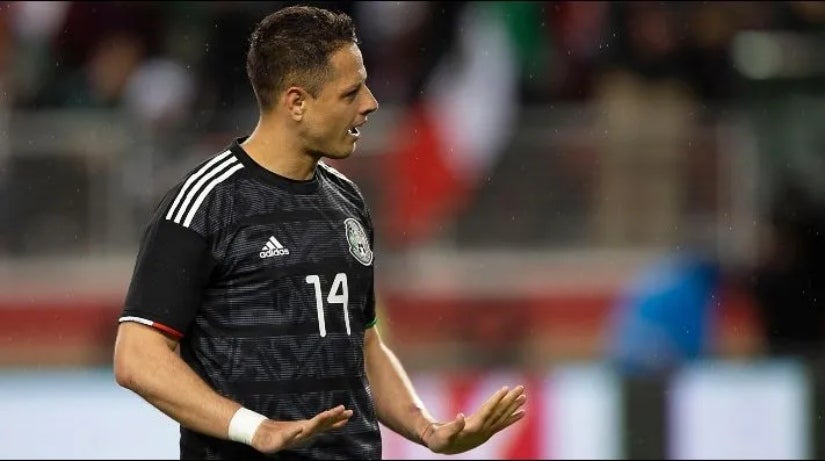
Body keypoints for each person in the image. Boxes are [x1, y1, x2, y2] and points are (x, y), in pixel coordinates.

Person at [112, 5, 526, 460]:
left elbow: (365, 343)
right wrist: (255, 428)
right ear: (296, 103)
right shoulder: (206, 203)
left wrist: (427, 430)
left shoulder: (347, 201)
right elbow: (137, 357)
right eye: (350, 92)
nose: (370, 103)